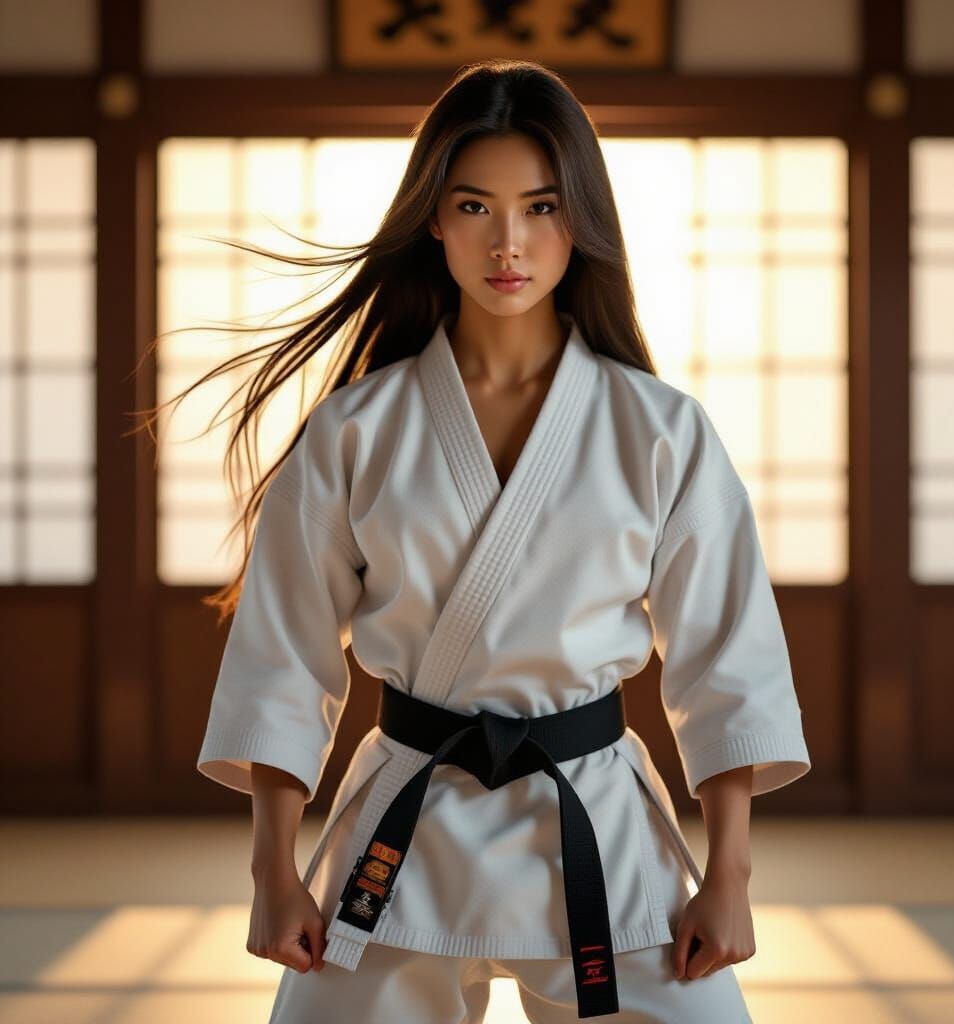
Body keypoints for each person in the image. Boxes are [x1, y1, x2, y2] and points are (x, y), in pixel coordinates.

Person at [186, 57, 811, 1022]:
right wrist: (272, 871)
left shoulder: (659, 429)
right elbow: (283, 653)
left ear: (583, 221)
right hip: (406, 829)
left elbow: (728, 659)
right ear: (433, 217)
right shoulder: (358, 430)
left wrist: (728, 873)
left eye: (543, 207)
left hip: (596, 821)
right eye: (476, 207)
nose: (509, 243)